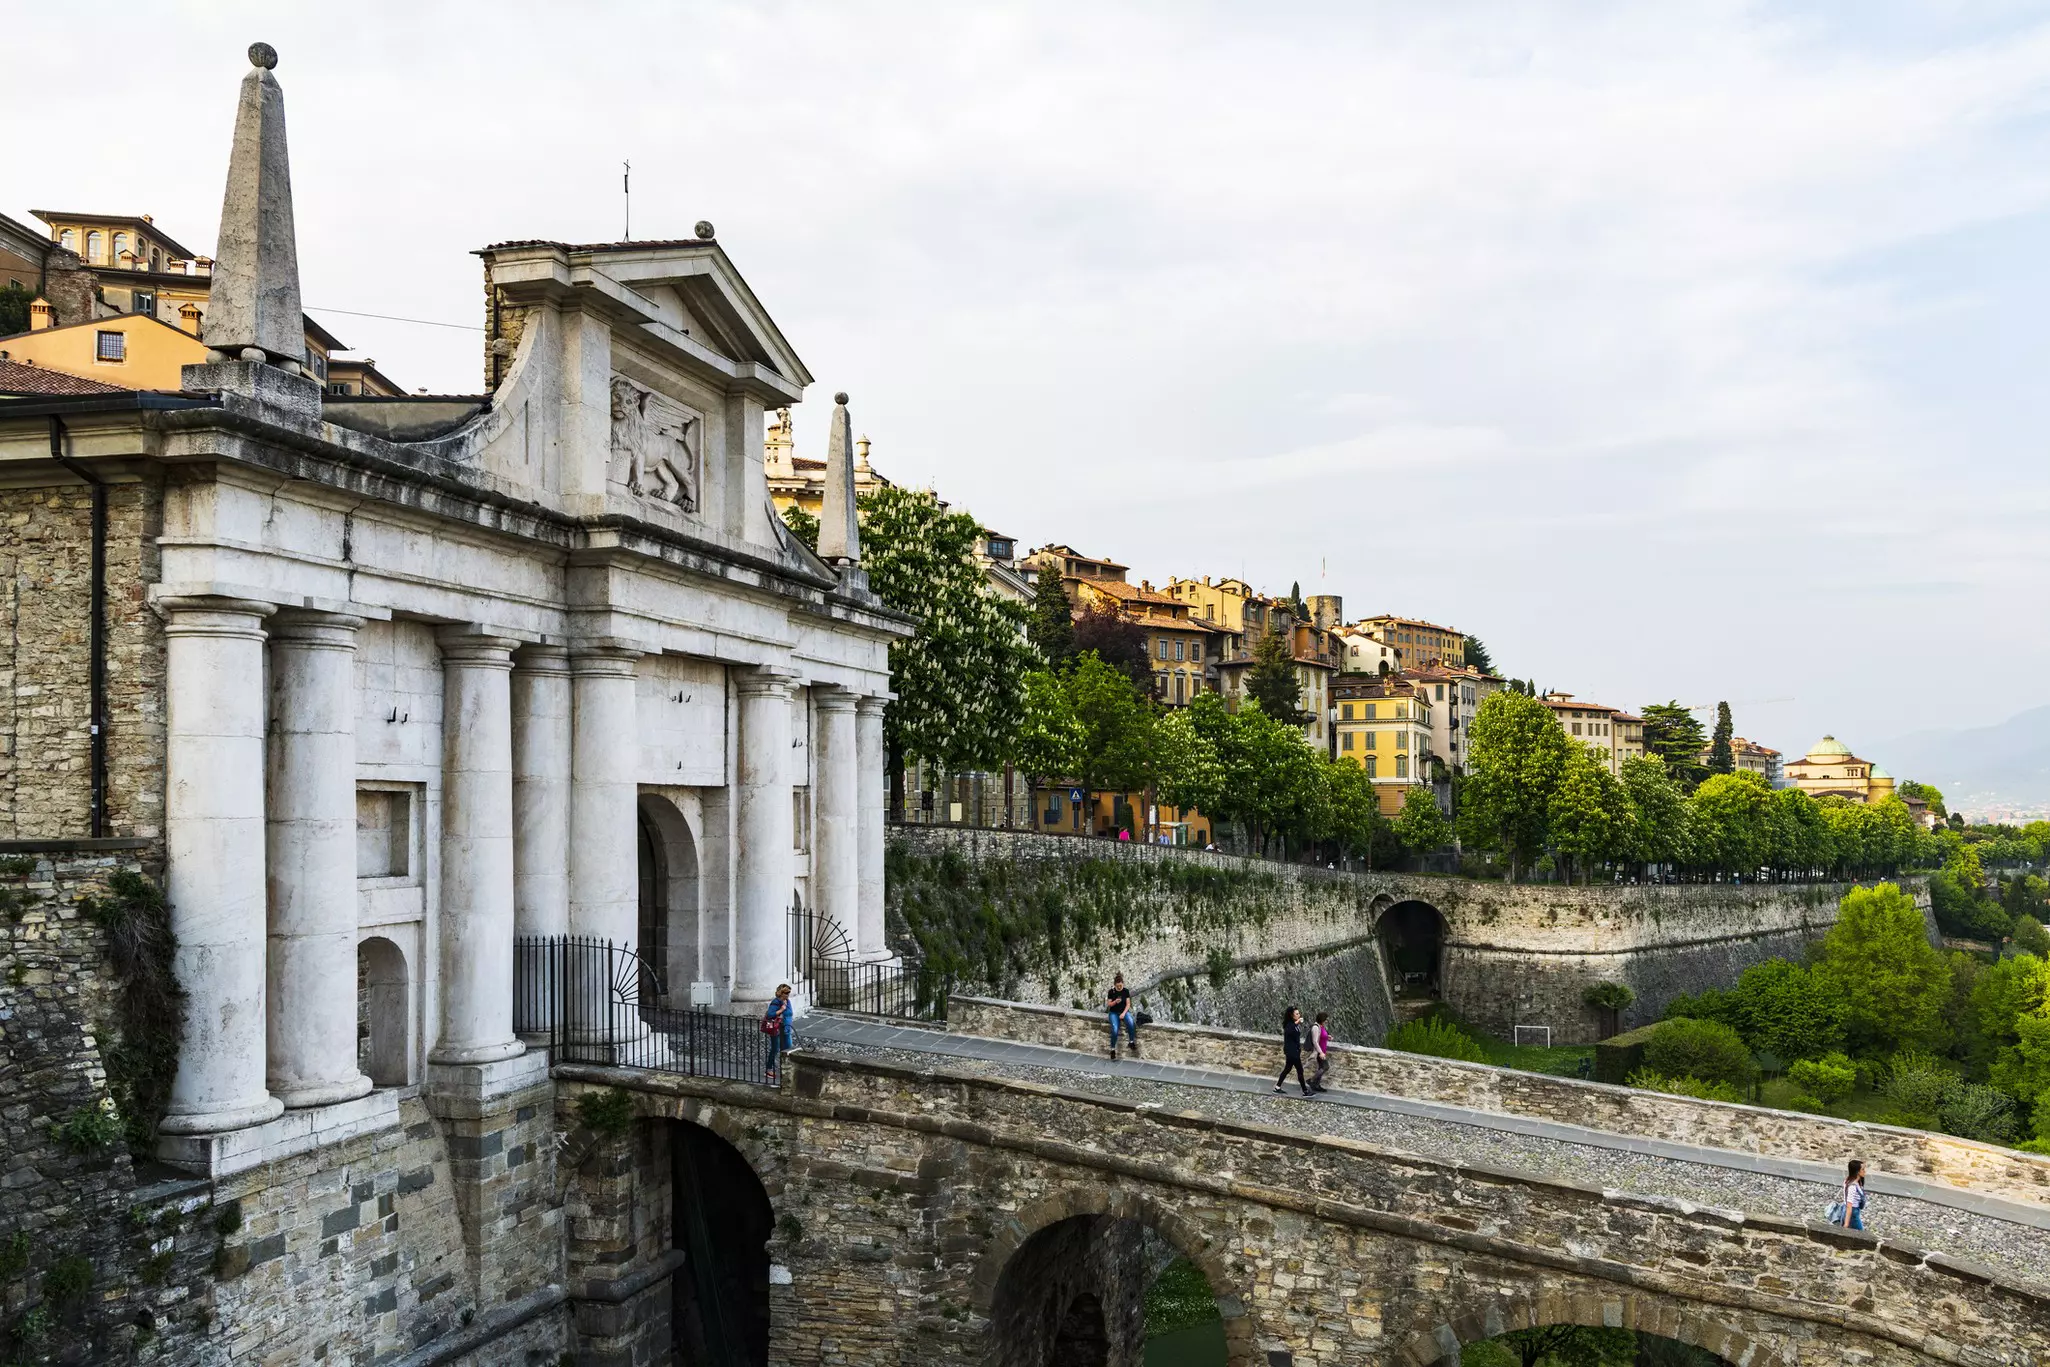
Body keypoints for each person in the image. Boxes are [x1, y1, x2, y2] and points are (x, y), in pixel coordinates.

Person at [1274, 1005, 1311, 1096]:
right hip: (1292, 1052)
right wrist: (1297, 1022)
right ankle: (1305, 1091)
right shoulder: (1289, 1024)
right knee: (1300, 1070)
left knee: (1287, 1069)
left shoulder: (1295, 1024)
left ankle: (1277, 1087)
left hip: (1294, 1051)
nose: (1299, 1015)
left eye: (1299, 1013)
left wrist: (1297, 1023)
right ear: (1292, 1015)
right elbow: (1288, 1031)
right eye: (1297, 1014)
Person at [763, 983, 795, 1083]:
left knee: (788, 1049)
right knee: (775, 1049)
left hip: (786, 1029)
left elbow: (790, 1013)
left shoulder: (787, 1001)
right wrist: (781, 1010)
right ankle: (769, 1069)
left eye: (788, 993)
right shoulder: (776, 1002)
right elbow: (770, 1015)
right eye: (786, 993)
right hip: (777, 1029)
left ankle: (786, 1069)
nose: (788, 995)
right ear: (781, 993)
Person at [1106, 972, 1139, 1060]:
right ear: (1115, 985)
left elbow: (1128, 1004)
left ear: (1123, 984)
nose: (1119, 987)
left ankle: (1131, 1041)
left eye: (1121, 985)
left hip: (1124, 1011)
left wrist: (1124, 1013)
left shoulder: (1125, 991)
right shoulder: (1111, 992)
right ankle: (1112, 1049)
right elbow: (1109, 1004)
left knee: (1131, 1023)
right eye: (1118, 986)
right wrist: (1115, 1002)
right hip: (1113, 1013)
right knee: (1115, 1029)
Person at [1837, 1159, 1867, 1231]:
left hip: (1852, 1211)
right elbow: (1849, 1205)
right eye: (1863, 1169)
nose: (1865, 1171)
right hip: (1853, 1213)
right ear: (1857, 1171)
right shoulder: (1852, 1186)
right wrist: (1846, 1224)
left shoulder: (1848, 1181)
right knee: (1861, 1233)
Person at [1310, 1011, 1333, 1093]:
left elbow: (1322, 1036)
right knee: (1325, 1066)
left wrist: (1327, 1037)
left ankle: (1316, 1085)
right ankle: (1311, 1080)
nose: (1326, 1021)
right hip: (1319, 1052)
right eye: (1325, 1019)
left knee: (1321, 1067)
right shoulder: (1315, 1027)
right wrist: (1320, 1052)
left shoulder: (1322, 1026)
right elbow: (1315, 1041)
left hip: (1323, 1051)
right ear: (1322, 1019)